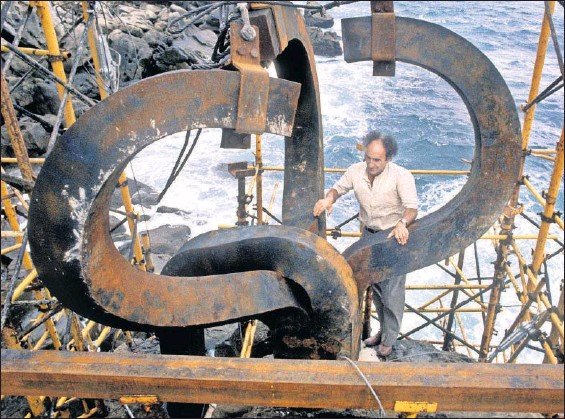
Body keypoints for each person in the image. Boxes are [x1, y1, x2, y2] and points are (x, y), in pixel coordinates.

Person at [312, 130, 418, 357]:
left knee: (392, 293)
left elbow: (411, 209)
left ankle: (389, 339)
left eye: (377, 160)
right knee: (377, 290)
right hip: (368, 235)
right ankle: (382, 332)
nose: (371, 164)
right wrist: (328, 199)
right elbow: (337, 189)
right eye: (368, 158)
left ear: (388, 158)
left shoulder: (401, 176)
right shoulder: (356, 171)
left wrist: (402, 223)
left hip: (392, 238)